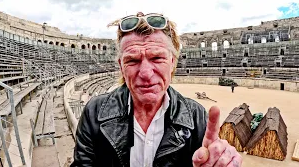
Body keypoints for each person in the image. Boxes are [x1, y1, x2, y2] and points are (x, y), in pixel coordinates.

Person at [71, 12, 242, 167]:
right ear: (121, 66)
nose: (145, 73)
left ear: (173, 62)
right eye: (133, 61)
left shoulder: (197, 117)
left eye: (157, 58)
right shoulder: (94, 112)